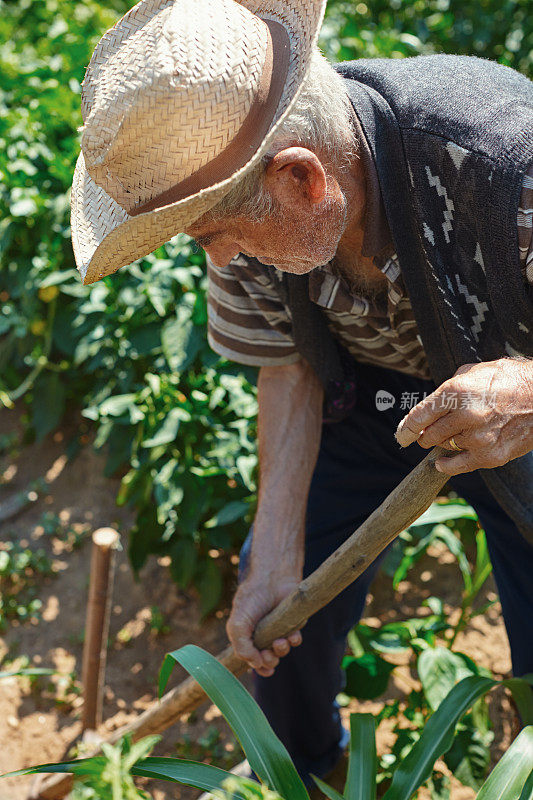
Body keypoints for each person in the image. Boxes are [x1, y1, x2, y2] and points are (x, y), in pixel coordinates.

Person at [72, 0, 533, 787]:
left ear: (301, 178)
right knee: (278, 624)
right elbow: (287, 365)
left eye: (213, 234)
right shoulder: (253, 215)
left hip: (518, 408)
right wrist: (275, 545)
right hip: (364, 400)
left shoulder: (503, 163)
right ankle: (306, 776)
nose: (216, 261)